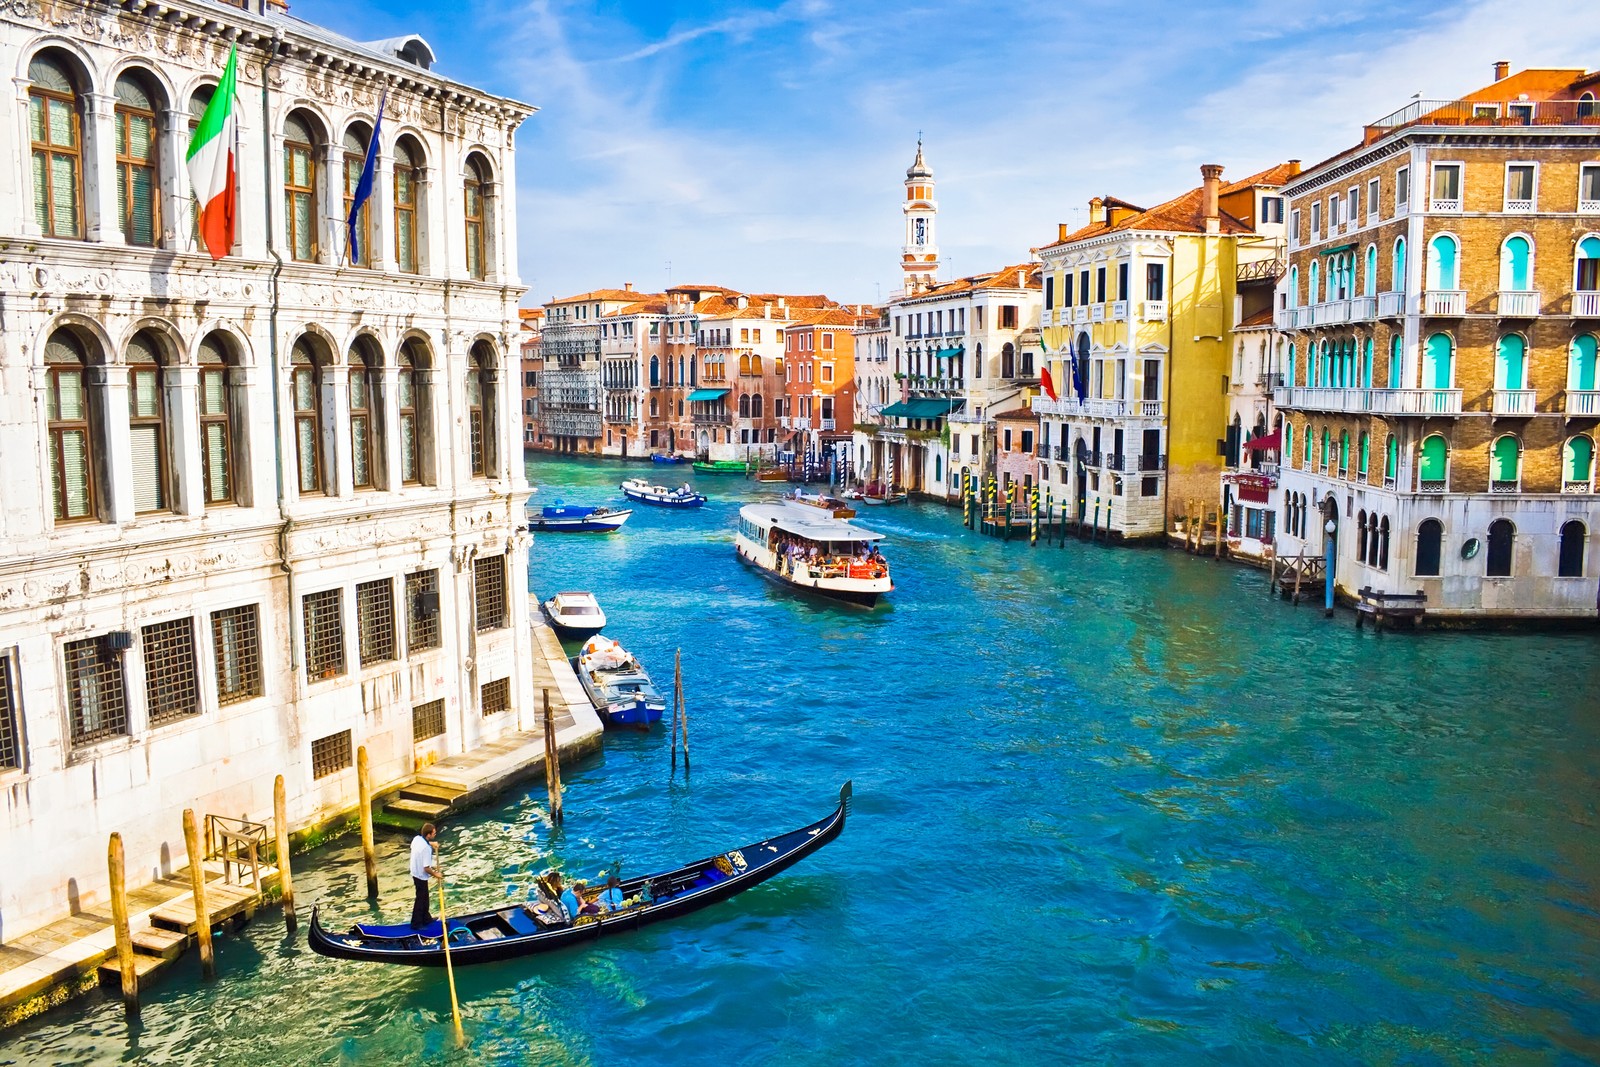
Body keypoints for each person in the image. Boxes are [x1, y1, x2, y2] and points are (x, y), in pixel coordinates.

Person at [410, 822, 440, 929]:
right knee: (421, 899)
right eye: (433, 833)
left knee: (425, 897)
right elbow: (426, 868)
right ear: (428, 835)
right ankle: (416, 923)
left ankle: (426, 918)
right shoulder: (427, 849)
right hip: (420, 874)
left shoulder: (417, 839)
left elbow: (422, 844)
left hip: (414, 871)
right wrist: (436, 874)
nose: (435, 835)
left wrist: (432, 843)